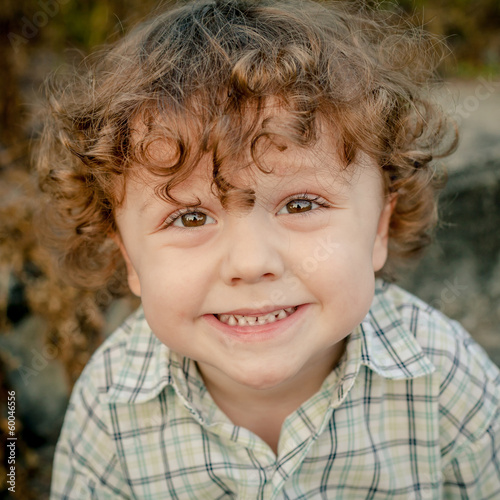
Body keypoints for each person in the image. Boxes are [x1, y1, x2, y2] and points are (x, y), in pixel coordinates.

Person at [38, 0, 500, 498]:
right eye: (190, 217)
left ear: (379, 230)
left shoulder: (447, 380)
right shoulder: (110, 406)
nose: (251, 263)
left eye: (301, 205)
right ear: (129, 259)